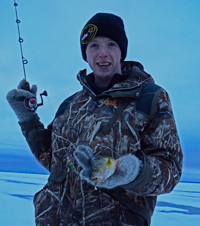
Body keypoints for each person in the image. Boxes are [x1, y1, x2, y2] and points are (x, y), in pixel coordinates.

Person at [6, 13, 183, 226]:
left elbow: (171, 169)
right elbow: (52, 159)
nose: (103, 53)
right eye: (94, 46)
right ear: (85, 54)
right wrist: (28, 118)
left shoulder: (151, 97)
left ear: (122, 52)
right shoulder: (70, 104)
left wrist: (134, 172)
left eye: (111, 44)